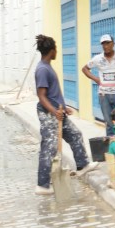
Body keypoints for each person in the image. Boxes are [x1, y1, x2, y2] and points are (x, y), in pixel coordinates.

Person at [34, 34, 99, 195]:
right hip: (49, 114)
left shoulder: (47, 67)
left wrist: (63, 108)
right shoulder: (42, 69)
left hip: (58, 112)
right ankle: (42, 185)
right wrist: (54, 111)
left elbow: (52, 93)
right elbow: (41, 96)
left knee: (75, 134)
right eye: (56, 49)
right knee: (49, 147)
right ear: (51, 50)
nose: (57, 52)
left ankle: (82, 165)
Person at [82, 34, 115, 137]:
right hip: (104, 95)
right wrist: (96, 79)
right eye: (103, 44)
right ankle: (111, 143)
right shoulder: (97, 58)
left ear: (113, 44)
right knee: (109, 122)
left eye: (108, 43)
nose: (105, 46)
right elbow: (85, 69)